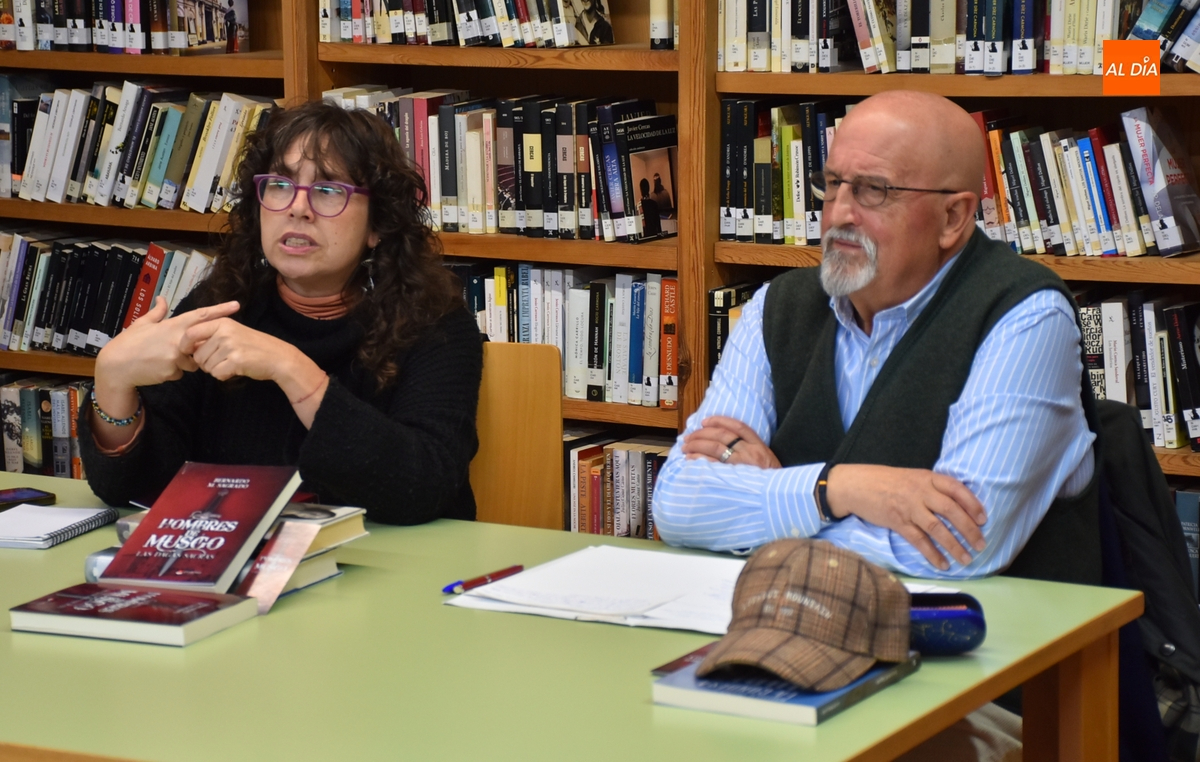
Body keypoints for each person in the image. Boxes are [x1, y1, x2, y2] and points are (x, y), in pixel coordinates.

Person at [652, 90, 1097, 581]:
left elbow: (956, 550)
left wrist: (772, 499)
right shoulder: (778, 306)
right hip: (800, 625)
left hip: (988, 641)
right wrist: (837, 489)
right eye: (834, 184)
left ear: (953, 217)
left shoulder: (1025, 317)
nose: (840, 213)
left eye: (873, 191)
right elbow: (677, 504)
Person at [80, 100, 484, 526]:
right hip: (241, 566)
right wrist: (112, 383)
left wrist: (290, 368)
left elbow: (423, 487)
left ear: (377, 226)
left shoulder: (435, 323)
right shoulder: (220, 303)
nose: (298, 208)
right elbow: (131, 488)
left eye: (329, 190)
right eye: (280, 185)